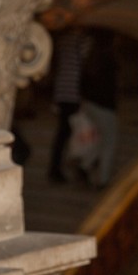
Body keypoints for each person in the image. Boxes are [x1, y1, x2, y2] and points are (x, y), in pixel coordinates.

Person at [78, 28, 119, 188]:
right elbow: (111, 87)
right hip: (104, 106)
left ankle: (85, 166)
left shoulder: (91, 58)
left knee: (100, 139)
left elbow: (83, 82)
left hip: (91, 104)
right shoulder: (109, 59)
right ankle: (103, 179)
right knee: (109, 141)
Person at [47, 27, 90, 182]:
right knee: (76, 133)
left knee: (64, 133)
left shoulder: (62, 39)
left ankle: (57, 168)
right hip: (74, 92)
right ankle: (76, 169)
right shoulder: (81, 40)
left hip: (61, 91)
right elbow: (85, 65)